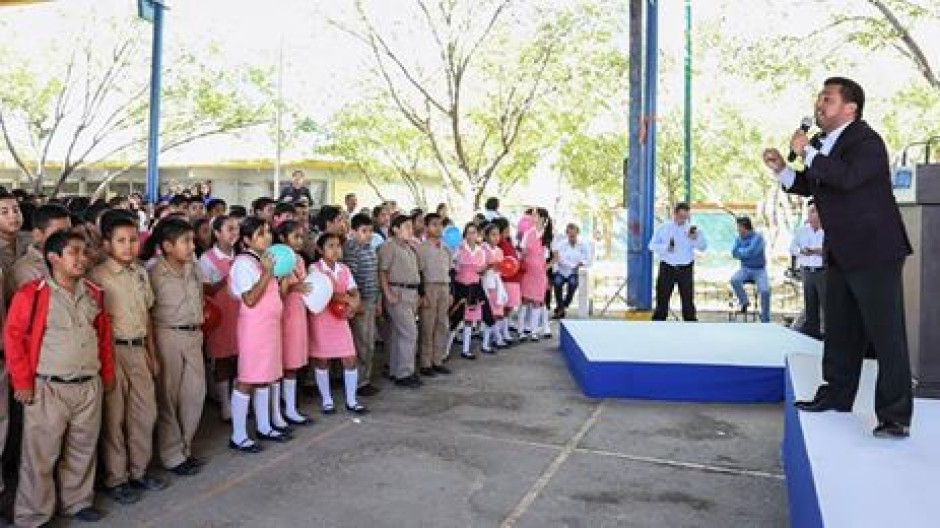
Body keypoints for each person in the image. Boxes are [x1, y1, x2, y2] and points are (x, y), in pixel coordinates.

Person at [762, 77, 913, 438]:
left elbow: (846, 178)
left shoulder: (867, 142)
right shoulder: (819, 144)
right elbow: (812, 184)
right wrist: (783, 168)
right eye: (818, 99)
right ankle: (837, 393)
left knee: (885, 334)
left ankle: (894, 415)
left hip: (875, 250)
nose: (819, 106)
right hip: (841, 251)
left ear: (850, 108)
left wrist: (809, 153)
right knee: (841, 329)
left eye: (827, 99)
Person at [5, 230, 115, 525]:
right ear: (53, 258)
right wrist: (23, 383)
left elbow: (102, 337)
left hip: (88, 385)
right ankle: (33, 514)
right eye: (74, 253)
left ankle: (77, 502)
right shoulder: (32, 294)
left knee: (82, 447)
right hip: (48, 387)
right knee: (40, 455)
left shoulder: (93, 292)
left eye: (84, 252)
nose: (83, 258)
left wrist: (106, 375)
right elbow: (13, 339)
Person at [90, 211, 165, 505]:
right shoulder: (97, 276)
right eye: (121, 241)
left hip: (139, 349)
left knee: (144, 414)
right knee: (114, 418)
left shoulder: (141, 272)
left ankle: (139, 470)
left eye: (133, 240)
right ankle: (116, 478)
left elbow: (147, 315)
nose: (129, 246)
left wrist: (152, 354)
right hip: (113, 351)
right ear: (107, 243)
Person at [144, 218, 207, 476]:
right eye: (186, 242)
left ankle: (185, 446)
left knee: (194, 395)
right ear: (168, 246)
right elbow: (146, 311)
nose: (192, 247)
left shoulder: (193, 267)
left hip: (194, 335)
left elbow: (201, 297)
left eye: (192, 241)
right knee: (167, 398)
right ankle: (172, 455)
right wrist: (152, 351)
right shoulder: (153, 271)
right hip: (166, 336)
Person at [228, 218, 289, 453]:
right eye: (260, 234)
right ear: (246, 240)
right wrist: (268, 273)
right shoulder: (243, 263)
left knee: (266, 376)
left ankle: (264, 426)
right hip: (254, 328)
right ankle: (239, 434)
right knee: (247, 378)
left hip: (270, 327)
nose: (268, 237)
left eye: (267, 232)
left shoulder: (265, 260)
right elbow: (250, 299)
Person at [308, 233, 368, 415]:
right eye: (330, 246)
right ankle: (327, 400)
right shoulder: (314, 269)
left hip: (341, 319)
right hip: (322, 319)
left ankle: (351, 400)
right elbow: (323, 291)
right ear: (320, 249)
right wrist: (346, 298)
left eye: (338, 246)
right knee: (322, 360)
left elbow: (354, 290)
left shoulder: (344, 269)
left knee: (349, 358)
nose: (335, 250)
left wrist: (354, 303)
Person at [198, 215, 241, 423]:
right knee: (223, 359)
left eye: (236, 229)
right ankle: (225, 403)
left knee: (240, 359)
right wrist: (228, 277)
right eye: (229, 229)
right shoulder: (207, 259)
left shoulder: (241, 256)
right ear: (217, 233)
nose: (234, 233)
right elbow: (207, 289)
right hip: (221, 315)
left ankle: (238, 400)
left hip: (241, 314)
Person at [273, 221, 313, 425]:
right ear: (282, 239)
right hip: (284, 315)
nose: (300, 240)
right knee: (283, 364)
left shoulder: (299, 259)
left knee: (294, 362)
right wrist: (292, 285)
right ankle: (281, 410)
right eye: (295, 236)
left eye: (301, 236)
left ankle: (289, 407)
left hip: (298, 314)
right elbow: (280, 292)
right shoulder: (277, 259)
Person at [378, 215, 422, 388]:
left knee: (399, 334)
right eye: (406, 227)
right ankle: (405, 372)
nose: (410, 230)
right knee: (409, 333)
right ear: (395, 229)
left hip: (410, 292)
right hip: (397, 291)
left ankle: (396, 370)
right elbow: (383, 271)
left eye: (411, 227)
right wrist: (387, 293)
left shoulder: (410, 248)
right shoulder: (389, 246)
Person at [342, 214, 382, 396]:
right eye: (363, 231)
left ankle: (364, 377)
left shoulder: (369, 249)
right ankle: (359, 382)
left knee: (368, 342)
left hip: (371, 300)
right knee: (361, 343)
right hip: (360, 302)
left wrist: (378, 299)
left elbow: (374, 276)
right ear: (353, 232)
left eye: (370, 231)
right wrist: (356, 303)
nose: (368, 235)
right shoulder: (351, 249)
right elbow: (351, 280)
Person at [649, 202, 707, 321]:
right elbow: (651, 245)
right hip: (667, 267)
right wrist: (666, 247)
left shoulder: (692, 229)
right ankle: (658, 323)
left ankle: (690, 323)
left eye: (686, 217)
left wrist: (695, 239)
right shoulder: (664, 227)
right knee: (662, 298)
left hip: (685, 267)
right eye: (681, 217)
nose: (683, 220)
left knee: (687, 300)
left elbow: (703, 247)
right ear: (674, 214)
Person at [415, 213, 454, 376]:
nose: (438, 228)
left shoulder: (446, 248)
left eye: (440, 225)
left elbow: (450, 271)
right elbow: (419, 273)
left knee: (442, 324)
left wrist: (451, 291)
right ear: (426, 227)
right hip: (429, 286)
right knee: (427, 325)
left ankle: (438, 360)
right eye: (434, 224)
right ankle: (425, 363)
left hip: (444, 287)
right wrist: (422, 294)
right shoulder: (421, 248)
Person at [451, 223, 496, 358]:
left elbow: (481, 270)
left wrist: (484, 269)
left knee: (478, 317)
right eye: (469, 232)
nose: (471, 235)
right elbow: (454, 266)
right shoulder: (459, 249)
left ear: (478, 235)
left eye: (474, 232)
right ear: (465, 234)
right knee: (455, 319)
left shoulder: (481, 251)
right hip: (461, 287)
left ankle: (467, 349)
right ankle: (445, 351)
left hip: (475, 287)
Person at [12, 204, 71, 289]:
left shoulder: (74, 259)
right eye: (58, 233)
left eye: (69, 231)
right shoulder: (25, 271)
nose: (67, 238)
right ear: (37, 235)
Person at [790, 201, 826, 339]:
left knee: (826, 303)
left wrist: (819, 251)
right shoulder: (802, 231)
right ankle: (812, 332)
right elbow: (792, 248)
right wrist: (802, 251)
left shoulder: (828, 229)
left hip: (823, 270)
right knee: (810, 303)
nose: (814, 215)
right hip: (806, 270)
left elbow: (834, 250)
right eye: (811, 211)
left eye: (816, 211)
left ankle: (828, 333)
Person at [519, 208, 555, 341]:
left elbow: (556, 256)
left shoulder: (549, 235)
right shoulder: (528, 233)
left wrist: (546, 267)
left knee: (537, 301)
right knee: (524, 300)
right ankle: (521, 330)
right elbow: (523, 252)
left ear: (542, 218)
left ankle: (534, 332)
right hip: (528, 270)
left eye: (535, 216)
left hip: (540, 272)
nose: (532, 218)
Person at [729, 217, 771, 323]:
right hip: (745, 269)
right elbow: (734, 253)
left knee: (765, 291)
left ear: (745, 227)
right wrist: (743, 253)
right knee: (734, 280)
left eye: (739, 228)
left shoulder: (758, 238)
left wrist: (741, 252)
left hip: (759, 270)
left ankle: (765, 318)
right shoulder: (738, 238)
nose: (737, 230)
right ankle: (744, 301)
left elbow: (752, 252)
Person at [552, 223, 591, 319]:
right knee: (557, 282)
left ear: (577, 233)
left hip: (574, 272)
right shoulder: (562, 244)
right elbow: (559, 258)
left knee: (573, 284)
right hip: (562, 270)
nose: (572, 237)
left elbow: (587, 259)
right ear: (567, 234)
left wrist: (580, 263)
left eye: (574, 235)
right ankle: (561, 308)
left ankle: (562, 307)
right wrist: (570, 265)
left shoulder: (583, 245)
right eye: (570, 235)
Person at [481, 223, 509, 350]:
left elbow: (502, 269)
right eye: (493, 235)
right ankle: (486, 343)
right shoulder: (482, 249)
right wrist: (489, 267)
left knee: (497, 313)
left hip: (497, 284)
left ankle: (496, 338)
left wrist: (501, 268)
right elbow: (480, 268)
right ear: (486, 236)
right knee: (489, 314)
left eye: (498, 235)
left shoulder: (500, 251)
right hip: (487, 284)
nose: (496, 238)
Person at [494, 217, 520, 344]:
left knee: (508, 308)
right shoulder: (500, 244)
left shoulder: (508, 242)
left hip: (513, 278)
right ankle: (498, 335)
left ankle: (504, 333)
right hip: (506, 279)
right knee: (503, 309)